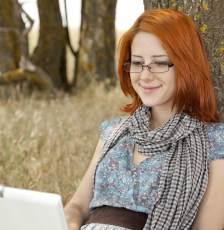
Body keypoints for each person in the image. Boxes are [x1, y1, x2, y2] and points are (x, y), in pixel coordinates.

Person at [64, 8, 224, 230]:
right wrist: (70, 224)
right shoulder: (114, 132)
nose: (145, 75)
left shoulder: (215, 143)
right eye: (137, 63)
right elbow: (77, 206)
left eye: (160, 63)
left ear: (187, 65)